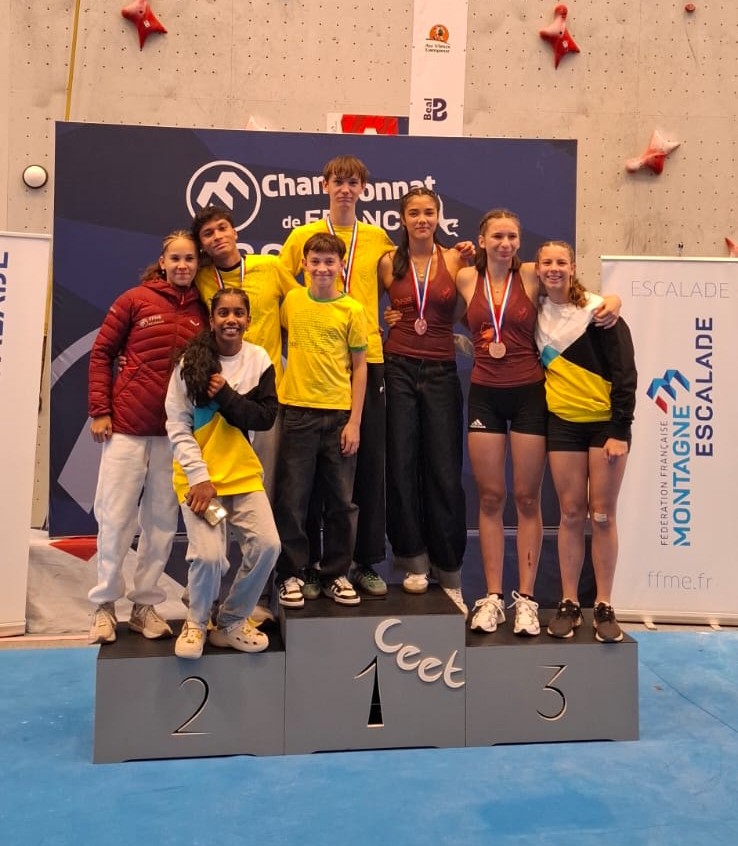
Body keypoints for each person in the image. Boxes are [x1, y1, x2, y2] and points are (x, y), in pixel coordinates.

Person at [456, 210, 620, 637]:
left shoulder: (531, 275)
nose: (505, 243)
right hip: (485, 396)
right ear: (482, 239)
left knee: (528, 498)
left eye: (512, 236)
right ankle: (493, 597)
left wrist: (613, 301)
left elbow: (571, 287)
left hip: (530, 396)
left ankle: (526, 599)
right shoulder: (465, 277)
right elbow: (434, 296)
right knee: (490, 496)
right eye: (497, 236)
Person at [279, 155, 394, 598]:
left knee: (360, 472)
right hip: (315, 371)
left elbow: (403, 279)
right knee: (303, 484)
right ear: (324, 185)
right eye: (338, 182)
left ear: (363, 189)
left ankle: (359, 564)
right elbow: (279, 284)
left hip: (367, 358)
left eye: (353, 183)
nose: (345, 189)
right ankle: (305, 567)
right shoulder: (302, 237)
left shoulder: (377, 237)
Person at [87, 230, 208, 645]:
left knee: (160, 524)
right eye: (175, 258)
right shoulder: (135, 300)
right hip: (126, 427)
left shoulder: (203, 309)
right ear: (162, 261)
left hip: (174, 433)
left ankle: (144, 606)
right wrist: (101, 410)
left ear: (197, 264)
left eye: (189, 259)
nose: (182, 265)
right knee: (115, 518)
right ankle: (104, 605)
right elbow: (102, 353)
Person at [191, 205, 299, 623]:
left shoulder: (270, 268)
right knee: (215, 501)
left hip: (263, 401)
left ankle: (256, 601)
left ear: (235, 231)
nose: (217, 236)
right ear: (202, 245)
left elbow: (304, 307)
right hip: (216, 406)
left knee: (261, 501)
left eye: (222, 228)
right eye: (208, 233)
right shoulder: (201, 277)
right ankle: (207, 599)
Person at [165, 287, 280, 660]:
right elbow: (177, 426)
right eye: (224, 313)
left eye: (238, 313)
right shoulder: (190, 364)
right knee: (210, 556)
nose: (231, 320)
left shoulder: (259, 359)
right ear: (212, 320)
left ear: (249, 320)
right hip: (200, 482)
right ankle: (197, 623)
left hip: (242, 475)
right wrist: (199, 478)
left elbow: (264, 418)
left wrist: (226, 395)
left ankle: (231, 621)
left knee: (268, 545)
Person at [534, 241, 636, 643]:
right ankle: (570, 602)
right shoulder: (535, 314)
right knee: (571, 513)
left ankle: (605, 604)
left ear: (573, 267)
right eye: (547, 262)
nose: (554, 268)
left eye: (561, 262)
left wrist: (620, 430)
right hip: (563, 425)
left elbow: (625, 373)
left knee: (603, 514)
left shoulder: (599, 311)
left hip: (605, 428)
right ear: (537, 269)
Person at [378, 187, 468, 615]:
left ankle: (449, 570)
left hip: (441, 369)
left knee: (444, 470)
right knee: (400, 466)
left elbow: (468, 309)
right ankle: (413, 561)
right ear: (402, 218)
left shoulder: (454, 259)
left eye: (429, 212)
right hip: (397, 367)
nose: (422, 219)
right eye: (413, 213)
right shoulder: (387, 263)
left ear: (438, 216)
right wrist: (386, 320)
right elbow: (369, 310)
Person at [274, 232, 368, 607]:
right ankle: (292, 573)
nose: (322, 268)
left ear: (341, 266)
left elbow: (360, 368)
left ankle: (335, 574)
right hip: (296, 414)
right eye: (315, 261)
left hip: (339, 417)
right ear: (304, 265)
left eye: (330, 262)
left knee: (342, 502)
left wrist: (355, 421)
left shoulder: (353, 310)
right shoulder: (293, 301)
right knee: (292, 500)